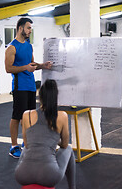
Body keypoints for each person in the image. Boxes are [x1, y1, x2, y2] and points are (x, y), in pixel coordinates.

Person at [15, 79, 76, 189]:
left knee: (25, 149)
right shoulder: (62, 116)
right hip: (49, 176)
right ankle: (72, 187)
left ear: (40, 96)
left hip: (22, 175)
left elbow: (27, 144)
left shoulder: (26, 115)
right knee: (69, 149)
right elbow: (64, 145)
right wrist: (53, 139)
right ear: (56, 97)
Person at [5, 17, 52, 158]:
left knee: (30, 116)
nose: (30, 31)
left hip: (31, 86)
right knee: (17, 116)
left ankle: (27, 142)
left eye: (30, 28)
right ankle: (13, 146)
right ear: (20, 28)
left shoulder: (28, 45)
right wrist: (25, 67)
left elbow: (31, 64)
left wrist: (43, 66)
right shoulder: (12, 47)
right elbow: (8, 68)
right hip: (20, 87)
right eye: (28, 28)